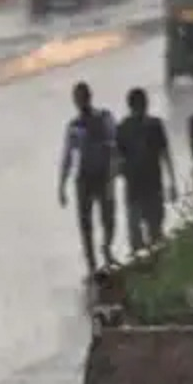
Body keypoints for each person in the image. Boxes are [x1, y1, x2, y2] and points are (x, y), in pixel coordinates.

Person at [58, 81, 118, 274]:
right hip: (84, 178)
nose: (80, 102)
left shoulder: (104, 118)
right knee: (85, 224)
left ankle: (106, 248)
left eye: (82, 98)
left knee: (108, 219)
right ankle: (91, 264)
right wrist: (61, 185)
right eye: (77, 99)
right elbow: (67, 156)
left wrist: (113, 174)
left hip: (102, 174)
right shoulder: (74, 127)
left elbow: (114, 148)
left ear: (89, 97)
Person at [114, 87, 177, 254]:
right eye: (141, 104)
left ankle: (151, 266)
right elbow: (118, 160)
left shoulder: (148, 126)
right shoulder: (126, 128)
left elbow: (165, 154)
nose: (142, 108)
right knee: (144, 235)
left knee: (151, 232)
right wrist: (172, 182)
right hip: (141, 188)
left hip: (145, 188)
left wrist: (172, 182)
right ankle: (150, 266)